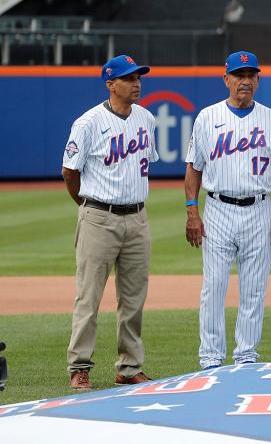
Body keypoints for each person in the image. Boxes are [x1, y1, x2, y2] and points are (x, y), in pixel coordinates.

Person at [184, 51, 271, 369]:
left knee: (254, 289)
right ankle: (211, 358)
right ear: (227, 79)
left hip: (259, 210)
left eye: (251, 75)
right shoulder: (207, 117)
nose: (245, 81)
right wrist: (192, 210)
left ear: (257, 80)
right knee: (214, 286)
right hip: (218, 209)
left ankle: (246, 356)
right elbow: (194, 168)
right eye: (239, 75)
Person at [61, 55, 159, 390]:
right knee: (88, 299)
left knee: (133, 300)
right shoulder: (87, 123)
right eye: (129, 79)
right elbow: (69, 172)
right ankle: (80, 366)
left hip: (137, 217)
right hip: (98, 217)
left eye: (138, 78)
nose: (137, 84)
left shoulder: (146, 119)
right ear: (110, 83)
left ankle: (129, 368)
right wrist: (88, 207)